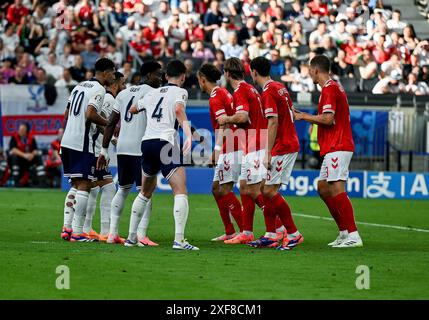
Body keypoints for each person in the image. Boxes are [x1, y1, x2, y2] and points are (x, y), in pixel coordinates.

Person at [124, 60, 198, 250]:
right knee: (180, 190)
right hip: (166, 143)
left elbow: (132, 109)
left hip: (147, 143)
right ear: (183, 76)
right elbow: (178, 110)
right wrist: (188, 135)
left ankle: (131, 238)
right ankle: (179, 240)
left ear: (165, 76)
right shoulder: (181, 92)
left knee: (145, 192)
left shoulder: (151, 93)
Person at [293, 55, 363, 248]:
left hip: (338, 145)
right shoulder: (331, 87)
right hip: (333, 146)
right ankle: (344, 232)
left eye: (309, 69)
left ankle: (354, 235)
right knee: (323, 187)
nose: (308, 73)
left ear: (316, 70)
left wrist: (303, 116)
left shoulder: (330, 89)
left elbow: (328, 119)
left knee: (336, 188)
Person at [97, 61, 163, 246]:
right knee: (146, 191)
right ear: (149, 75)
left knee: (123, 189)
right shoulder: (153, 93)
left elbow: (111, 122)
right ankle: (141, 235)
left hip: (123, 147)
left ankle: (112, 234)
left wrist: (104, 149)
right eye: (158, 75)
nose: (160, 79)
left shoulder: (124, 93)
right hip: (140, 147)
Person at [247, 56, 303, 250]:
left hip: (283, 145)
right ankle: (271, 234)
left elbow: (273, 122)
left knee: (269, 191)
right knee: (265, 188)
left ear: (254, 72)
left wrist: (267, 152)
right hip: (287, 142)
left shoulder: (269, 91)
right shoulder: (279, 86)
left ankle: (294, 234)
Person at [60, 57, 116, 243]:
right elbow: (90, 113)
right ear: (106, 72)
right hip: (81, 143)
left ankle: (67, 229)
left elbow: (67, 114)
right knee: (85, 185)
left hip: (67, 141)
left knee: (76, 184)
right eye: (113, 73)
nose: (113, 77)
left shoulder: (79, 86)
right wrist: (109, 124)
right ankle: (77, 233)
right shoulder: (99, 89)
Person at [218, 57, 267, 245]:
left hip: (255, 143)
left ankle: (279, 227)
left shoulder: (240, 90)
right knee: (246, 187)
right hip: (255, 142)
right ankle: (247, 232)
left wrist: (226, 119)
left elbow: (243, 116)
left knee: (255, 189)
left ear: (227, 73)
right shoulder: (252, 89)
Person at [196, 63, 243, 242]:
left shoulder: (216, 96)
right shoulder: (223, 91)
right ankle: (230, 231)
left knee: (225, 189)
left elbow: (224, 123)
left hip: (231, 145)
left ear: (202, 80)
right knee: (217, 189)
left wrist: (216, 151)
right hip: (232, 143)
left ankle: (245, 232)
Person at [82, 71, 126, 241]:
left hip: (94, 148)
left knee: (92, 189)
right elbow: (99, 123)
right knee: (107, 188)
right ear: (114, 84)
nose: (124, 87)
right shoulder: (109, 99)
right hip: (95, 149)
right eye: (122, 84)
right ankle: (105, 231)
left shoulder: (108, 98)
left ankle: (85, 228)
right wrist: (113, 141)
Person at [8, 122, 45, 187]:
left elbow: (35, 149)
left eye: (22, 130)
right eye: (19, 129)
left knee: (38, 156)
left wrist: (32, 155)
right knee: (14, 156)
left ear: (26, 131)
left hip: (29, 159)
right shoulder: (14, 137)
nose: (20, 131)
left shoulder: (31, 138)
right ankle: (16, 181)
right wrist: (24, 155)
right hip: (19, 159)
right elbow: (13, 149)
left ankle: (42, 181)